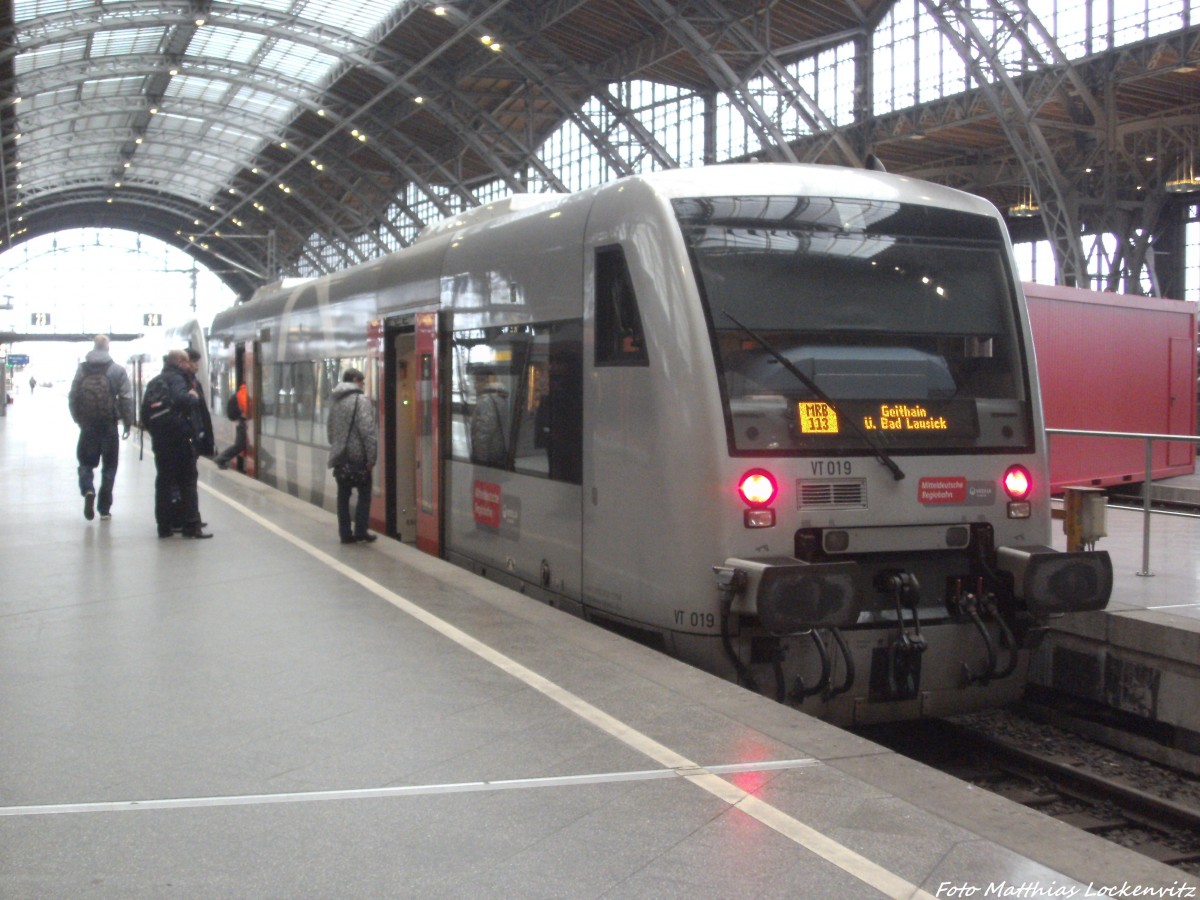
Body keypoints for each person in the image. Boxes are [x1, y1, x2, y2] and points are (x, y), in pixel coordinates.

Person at [146, 349, 212, 539]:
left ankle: (164, 527)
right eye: (185, 361)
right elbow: (183, 400)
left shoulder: (155, 381)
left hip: (161, 442)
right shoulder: (178, 379)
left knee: (164, 483)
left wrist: (157, 434)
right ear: (179, 361)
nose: (188, 364)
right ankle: (191, 526)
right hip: (180, 441)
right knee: (187, 482)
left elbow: (145, 414)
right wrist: (192, 396)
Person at [68, 335, 134, 521]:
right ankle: (104, 509)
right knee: (109, 467)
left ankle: (88, 489)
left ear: (94, 347)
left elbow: (73, 396)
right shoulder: (117, 370)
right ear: (107, 348)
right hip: (109, 425)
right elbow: (126, 399)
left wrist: (78, 419)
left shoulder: (82, 369)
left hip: (88, 425)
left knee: (85, 463)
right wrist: (127, 423)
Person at [326, 368, 378, 544]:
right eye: (362, 381)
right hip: (358, 458)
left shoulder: (334, 401)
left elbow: (330, 432)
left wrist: (338, 447)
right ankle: (361, 531)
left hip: (340, 457)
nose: (363, 385)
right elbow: (367, 431)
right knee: (364, 494)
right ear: (355, 380)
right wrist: (371, 458)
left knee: (343, 496)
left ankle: (345, 533)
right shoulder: (360, 400)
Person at [469, 367, 510, 467]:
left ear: (485, 381)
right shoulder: (500, 397)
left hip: (489, 457)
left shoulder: (486, 400)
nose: (474, 386)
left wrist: (480, 460)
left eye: (476, 382)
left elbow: (483, 434)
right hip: (499, 451)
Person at [215, 380, 250, 470]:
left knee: (244, 443)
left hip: (241, 421)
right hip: (242, 421)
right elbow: (247, 410)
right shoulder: (245, 394)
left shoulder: (240, 392)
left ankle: (268, 457)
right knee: (241, 444)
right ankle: (221, 458)